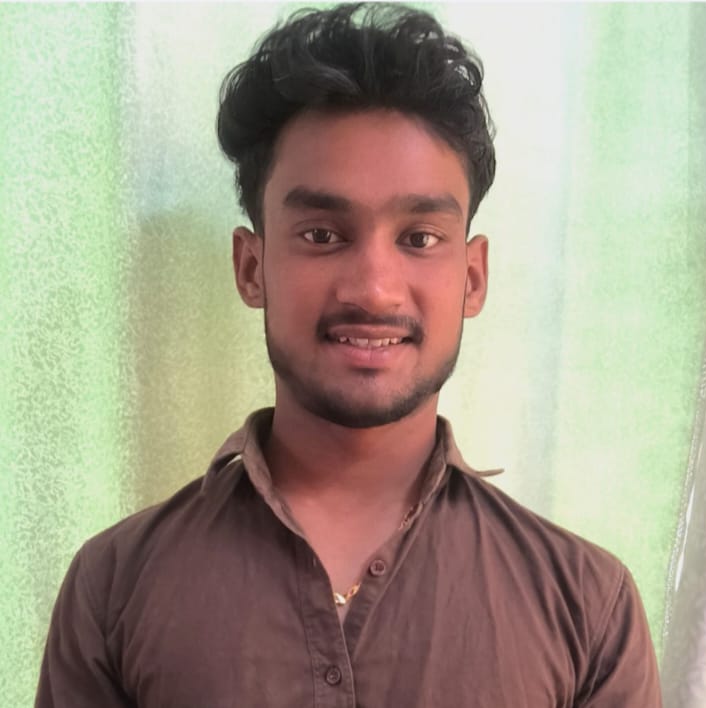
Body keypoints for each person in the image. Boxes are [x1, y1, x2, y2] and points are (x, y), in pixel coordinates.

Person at [36, 3, 662, 706]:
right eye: (322, 235)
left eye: (419, 238)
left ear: (473, 277)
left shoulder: (589, 609)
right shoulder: (112, 588)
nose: (373, 288)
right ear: (251, 267)